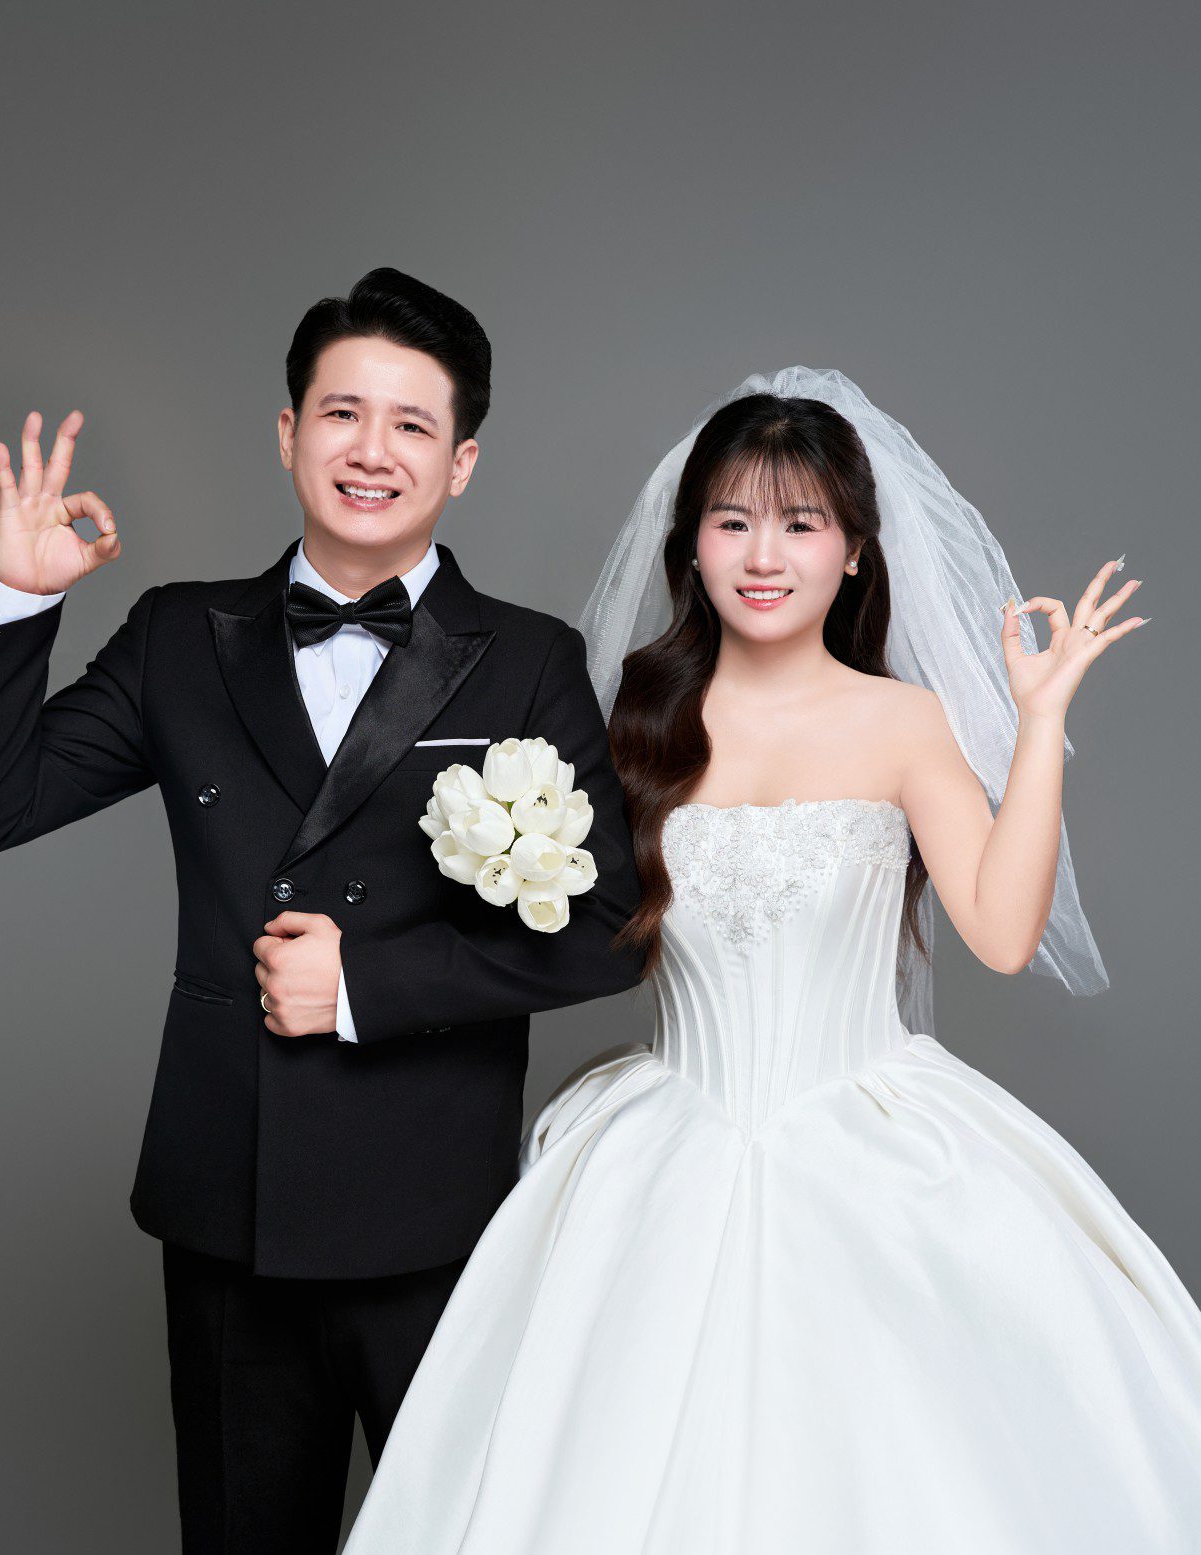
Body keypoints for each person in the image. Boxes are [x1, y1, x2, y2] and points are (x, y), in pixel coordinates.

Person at [339, 369, 1201, 1553]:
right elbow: (549, 926)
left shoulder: (904, 721)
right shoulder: (625, 716)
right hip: (658, 1148)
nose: (762, 555)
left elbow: (1002, 934)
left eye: (800, 524)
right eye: (732, 520)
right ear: (689, 543)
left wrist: (1039, 721)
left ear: (854, 552)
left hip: (878, 1145)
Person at [0, 267, 645, 1554]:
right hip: (228, 1210)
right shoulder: (177, 635)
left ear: (462, 461)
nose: (372, 450)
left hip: (436, 1214)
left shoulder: (529, 655)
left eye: (411, 424)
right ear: (287, 432)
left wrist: (367, 983)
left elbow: (607, 925)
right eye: (341, 413)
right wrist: (20, 600)